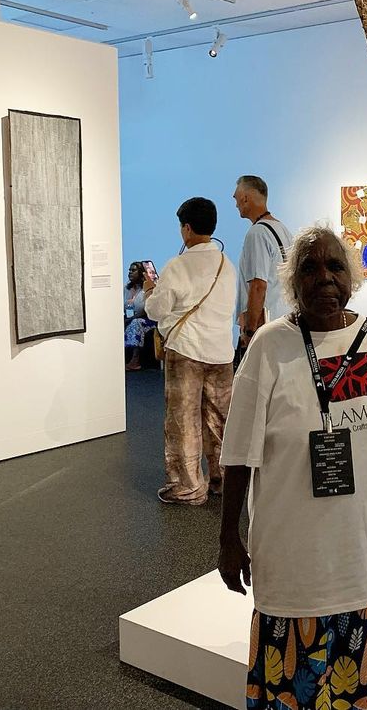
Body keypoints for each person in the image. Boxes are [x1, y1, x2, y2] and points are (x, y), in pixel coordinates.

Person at [218, 225, 367, 707]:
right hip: (298, 563)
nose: (325, 277)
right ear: (292, 282)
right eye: (310, 267)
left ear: (352, 277)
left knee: (358, 691)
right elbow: (238, 452)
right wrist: (228, 537)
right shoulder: (270, 347)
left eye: (335, 266)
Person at [144, 198, 237, 505]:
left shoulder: (178, 265)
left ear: (186, 228)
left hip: (186, 351)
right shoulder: (226, 265)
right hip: (221, 353)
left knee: (183, 421)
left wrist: (149, 290)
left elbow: (156, 310)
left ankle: (188, 487)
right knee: (219, 420)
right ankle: (223, 480)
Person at [233, 175, 293, 358]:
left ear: (245, 198)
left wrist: (250, 331)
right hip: (285, 324)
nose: (235, 203)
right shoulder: (283, 230)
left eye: (236, 197)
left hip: (265, 330)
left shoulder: (257, 233)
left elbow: (258, 285)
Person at [124, 262, 152, 371]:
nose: (130, 272)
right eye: (129, 270)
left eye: (133, 270)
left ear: (140, 273)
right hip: (129, 317)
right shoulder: (126, 289)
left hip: (147, 319)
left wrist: (131, 318)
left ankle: (135, 360)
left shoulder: (147, 288)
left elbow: (145, 309)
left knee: (136, 323)